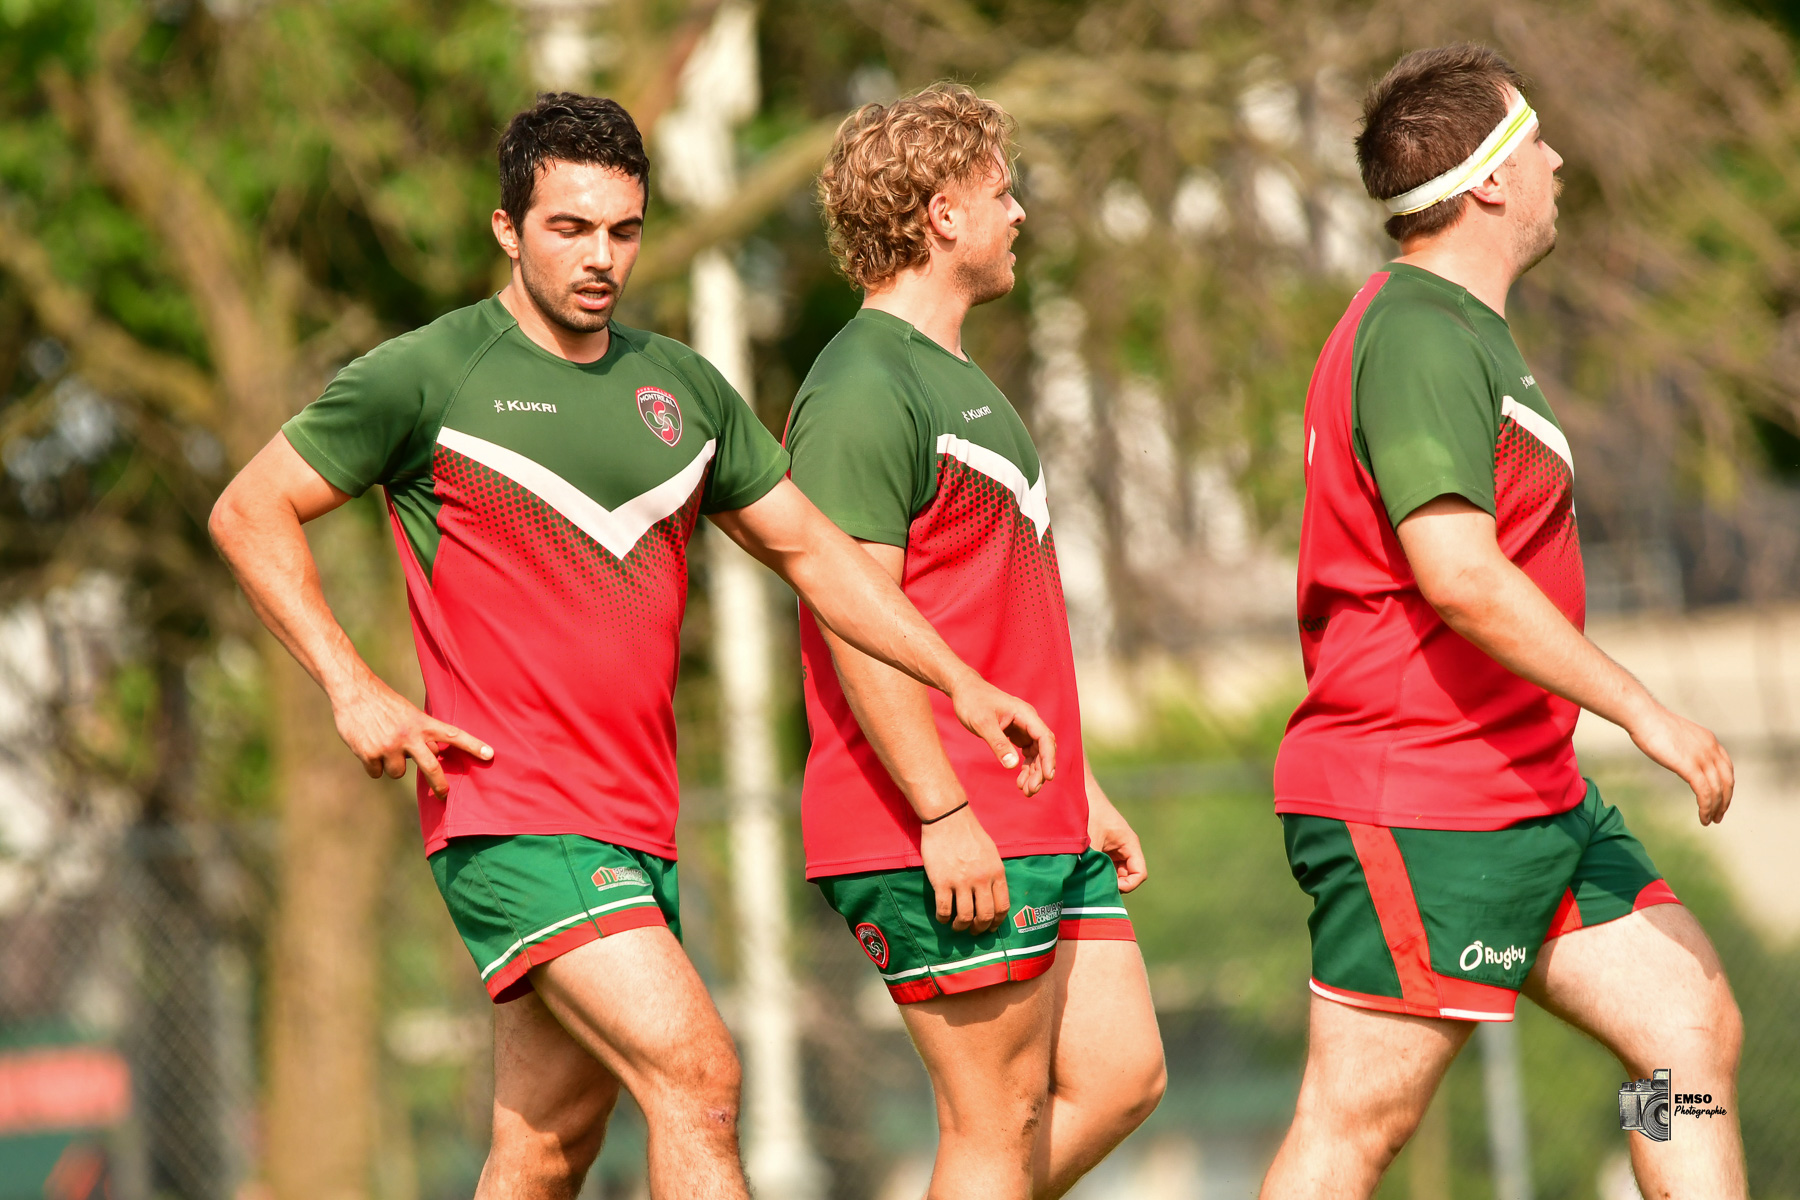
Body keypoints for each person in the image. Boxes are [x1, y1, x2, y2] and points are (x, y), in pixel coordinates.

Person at [209, 92, 1059, 1200]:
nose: (601, 256)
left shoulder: (687, 389)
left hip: (633, 821)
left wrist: (959, 679)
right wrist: (351, 684)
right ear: (508, 230)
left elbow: (814, 556)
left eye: (623, 229)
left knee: (547, 1142)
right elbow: (249, 509)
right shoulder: (428, 375)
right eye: (569, 228)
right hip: (512, 813)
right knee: (697, 1075)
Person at [1261, 46, 1746, 1199]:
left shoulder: (1466, 332)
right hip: (1421, 795)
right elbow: (1458, 577)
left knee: (1683, 1029)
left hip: (1528, 792)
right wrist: (1647, 713)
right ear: (1490, 182)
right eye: (1537, 142)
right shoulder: (1420, 330)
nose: (1559, 160)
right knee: (1357, 1126)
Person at [784, 85, 1167, 1200]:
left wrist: (1079, 786)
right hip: (934, 820)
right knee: (995, 1118)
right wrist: (941, 812)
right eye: (1004, 193)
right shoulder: (861, 384)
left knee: (1121, 1076)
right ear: (942, 213)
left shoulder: (961, 383)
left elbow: (996, 618)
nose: (1020, 215)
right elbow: (851, 616)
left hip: (1034, 809)